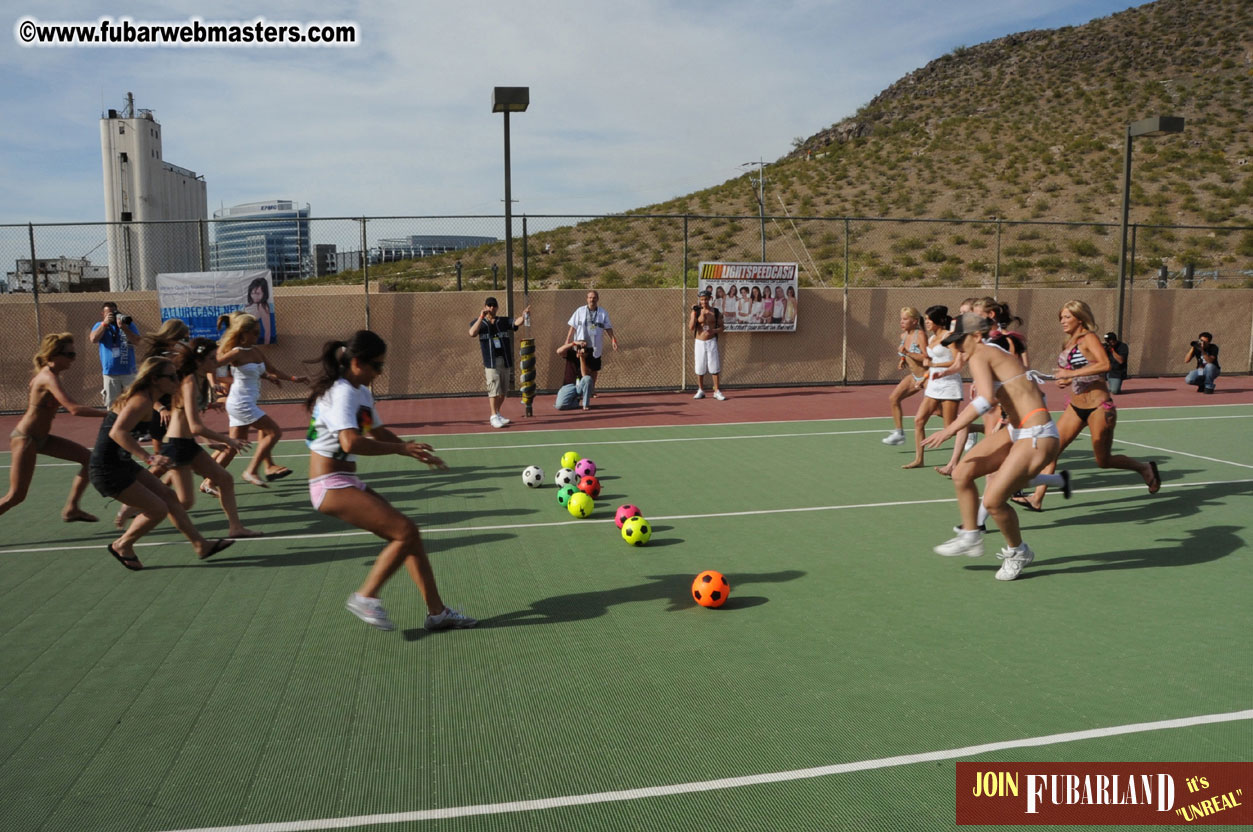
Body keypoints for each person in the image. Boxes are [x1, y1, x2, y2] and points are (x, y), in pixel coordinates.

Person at [305, 330, 474, 632]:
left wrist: (411, 451)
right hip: (329, 484)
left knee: (410, 537)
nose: (379, 372)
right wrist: (401, 448)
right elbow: (350, 443)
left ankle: (437, 613)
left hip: (345, 479)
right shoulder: (342, 391)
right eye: (376, 366)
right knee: (405, 531)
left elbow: (376, 433)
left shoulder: (360, 391)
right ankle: (365, 596)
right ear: (357, 362)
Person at [923, 313, 1066, 581]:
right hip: (1018, 430)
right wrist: (953, 368)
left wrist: (950, 429)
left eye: (959, 340)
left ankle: (1018, 551)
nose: (956, 346)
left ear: (976, 336)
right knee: (961, 472)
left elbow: (985, 400)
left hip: (1037, 435)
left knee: (993, 501)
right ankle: (971, 535)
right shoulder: (988, 351)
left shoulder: (981, 353)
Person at [90, 357, 236, 570]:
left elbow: (187, 423)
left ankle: (201, 545)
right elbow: (117, 432)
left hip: (121, 463)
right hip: (107, 469)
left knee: (169, 497)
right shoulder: (140, 400)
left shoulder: (153, 400)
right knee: (158, 508)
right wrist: (149, 458)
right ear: (155, 379)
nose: (176, 380)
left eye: (176, 375)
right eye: (171, 377)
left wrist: (206, 440)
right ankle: (122, 545)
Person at [1016, 300, 1160, 512]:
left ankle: (1144, 467)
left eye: (1067, 317)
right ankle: (1037, 499)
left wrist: (1071, 374)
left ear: (1080, 318)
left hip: (1099, 407)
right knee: (1051, 451)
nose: (1062, 321)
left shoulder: (1089, 338)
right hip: (1075, 406)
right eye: (1061, 317)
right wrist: (1064, 379)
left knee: (1103, 460)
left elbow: (1104, 364)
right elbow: (1071, 370)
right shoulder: (1068, 342)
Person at [158, 339, 260, 539]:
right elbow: (195, 425)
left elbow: (190, 419)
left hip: (187, 442)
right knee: (185, 502)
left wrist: (208, 441)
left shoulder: (202, 379)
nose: (217, 362)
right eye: (212, 358)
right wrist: (228, 440)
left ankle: (236, 528)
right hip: (177, 444)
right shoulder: (189, 383)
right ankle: (141, 519)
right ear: (199, 361)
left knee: (225, 479)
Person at [0, 333, 107, 523]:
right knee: (16, 496)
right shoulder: (48, 377)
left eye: (74, 354)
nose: (73, 360)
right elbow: (73, 409)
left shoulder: (51, 375)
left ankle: (72, 508)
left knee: (89, 460)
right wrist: (111, 414)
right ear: (54, 355)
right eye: (70, 355)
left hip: (42, 439)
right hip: (26, 438)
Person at [206, 313, 308, 491]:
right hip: (240, 403)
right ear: (242, 333)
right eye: (253, 332)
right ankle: (251, 471)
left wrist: (293, 378)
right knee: (274, 432)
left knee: (233, 446)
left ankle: (209, 482)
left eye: (258, 332)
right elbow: (210, 365)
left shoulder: (255, 351)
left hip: (245, 402)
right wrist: (213, 382)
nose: (256, 336)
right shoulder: (236, 352)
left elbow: (272, 370)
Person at [902, 306, 961, 469]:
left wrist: (935, 364)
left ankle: (980, 429)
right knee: (919, 420)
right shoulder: (931, 338)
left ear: (938, 320)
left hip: (950, 384)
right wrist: (924, 378)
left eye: (929, 320)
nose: (926, 322)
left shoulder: (949, 337)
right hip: (934, 385)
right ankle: (919, 460)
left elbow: (956, 362)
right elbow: (931, 365)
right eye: (926, 319)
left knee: (951, 429)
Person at [470, 296, 528, 428]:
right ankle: (493, 416)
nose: (491, 308)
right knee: (494, 390)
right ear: (485, 307)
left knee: (503, 391)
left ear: (497, 307)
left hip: (505, 360)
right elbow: (472, 332)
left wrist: (523, 316)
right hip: (491, 362)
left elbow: (516, 323)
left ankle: (497, 413)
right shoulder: (480, 322)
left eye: (494, 305)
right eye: (489, 305)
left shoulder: (502, 321)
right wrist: (481, 317)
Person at [882, 307, 927, 445]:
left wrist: (907, 353)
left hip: (927, 377)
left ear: (915, 321)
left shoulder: (920, 336)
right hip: (914, 377)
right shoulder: (903, 336)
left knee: (938, 411)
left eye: (905, 319)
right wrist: (902, 360)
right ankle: (899, 433)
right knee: (894, 398)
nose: (902, 322)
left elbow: (926, 358)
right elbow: (906, 353)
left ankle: (965, 429)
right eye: (901, 319)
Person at [88, 301, 142, 406]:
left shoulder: (127, 325)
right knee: (112, 405)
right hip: (110, 373)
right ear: (103, 314)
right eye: (109, 313)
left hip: (128, 372)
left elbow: (138, 341)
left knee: (133, 403)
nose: (113, 315)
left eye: (114, 312)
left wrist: (124, 328)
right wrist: (105, 324)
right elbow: (93, 339)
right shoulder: (99, 325)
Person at [566, 290, 617, 385]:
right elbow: (573, 326)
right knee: (580, 367)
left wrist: (613, 340)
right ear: (587, 299)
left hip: (595, 345)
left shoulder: (603, 313)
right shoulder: (580, 311)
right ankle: (579, 389)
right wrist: (567, 341)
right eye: (590, 297)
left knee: (594, 369)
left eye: (594, 298)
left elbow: (608, 328)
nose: (592, 300)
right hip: (582, 344)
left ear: (597, 299)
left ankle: (591, 389)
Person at [690, 289, 727, 400]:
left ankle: (716, 391)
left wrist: (713, 331)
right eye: (701, 299)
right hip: (699, 342)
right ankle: (701, 390)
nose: (704, 302)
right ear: (699, 300)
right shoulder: (696, 311)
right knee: (700, 366)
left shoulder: (715, 312)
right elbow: (691, 328)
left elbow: (722, 328)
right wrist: (694, 315)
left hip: (711, 341)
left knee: (714, 366)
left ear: (710, 299)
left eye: (706, 299)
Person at [553, 339, 594, 410]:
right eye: (579, 348)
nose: (580, 350)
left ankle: (585, 405)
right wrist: (573, 343)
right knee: (559, 406)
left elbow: (584, 375)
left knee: (588, 379)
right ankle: (575, 402)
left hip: (580, 386)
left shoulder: (589, 358)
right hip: (569, 385)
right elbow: (559, 351)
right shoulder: (571, 354)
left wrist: (582, 358)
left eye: (583, 349)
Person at [241, 276, 272, 344]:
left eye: (258, 293)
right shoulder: (251, 304)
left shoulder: (262, 306)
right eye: (252, 293)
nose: (254, 296)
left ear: (264, 293)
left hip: (248, 340)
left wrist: (266, 345)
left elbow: (268, 331)